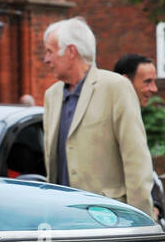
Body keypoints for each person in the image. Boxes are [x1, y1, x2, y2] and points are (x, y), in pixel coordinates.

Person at [42, 18, 154, 216]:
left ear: (71, 51)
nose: (46, 60)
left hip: (108, 218)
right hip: (63, 218)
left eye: (50, 51)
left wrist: (140, 222)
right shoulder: (52, 95)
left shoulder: (115, 87)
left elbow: (136, 158)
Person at [113, 53, 165, 224]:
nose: (154, 89)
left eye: (154, 81)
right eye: (147, 82)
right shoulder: (113, 117)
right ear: (125, 82)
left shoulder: (134, 113)